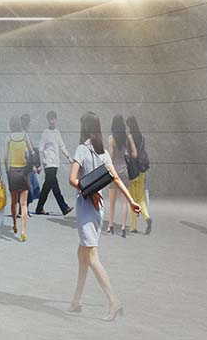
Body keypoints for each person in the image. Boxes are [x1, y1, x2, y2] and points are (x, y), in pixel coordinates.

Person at [69, 111, 141, 321]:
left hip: (86, 206)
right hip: (97, 207)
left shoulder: (82, 149)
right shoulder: (103, 152)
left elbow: (72, 179)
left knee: (91, 257)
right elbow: (116, 178)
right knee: (82, 254)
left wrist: (88, 191)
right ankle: (76, 300)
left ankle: (113, 301)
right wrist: (131, 201)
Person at [36, 110, 73, 216]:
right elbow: (40, 149)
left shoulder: (57, 132)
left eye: (53, 119)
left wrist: (69, 157)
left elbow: (62, 146)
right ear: (48, 120)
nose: (52, 121)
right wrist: (40, 164)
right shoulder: (45, 133)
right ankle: (64, 207)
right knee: (55, 187)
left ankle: (39, 208)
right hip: (48, 164)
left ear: (56, 119)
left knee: (47, 187)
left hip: (55, 164)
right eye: (50, 119)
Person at [5, 116, 34, 240]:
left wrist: (7, 170)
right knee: (23, 204)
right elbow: (31, 152)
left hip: (12, 171)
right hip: (23, 172)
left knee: (13, 202)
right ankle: (23, 232)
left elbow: (5, 158)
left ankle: (14, 225)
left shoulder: (9, 137)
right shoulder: (25, 136)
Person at [106, 115, 132, 237]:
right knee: (123, 202)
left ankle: (110, 225)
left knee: (111, 202)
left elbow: (111, 156)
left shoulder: (111, 138)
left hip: (114, 173)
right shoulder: (126, 139)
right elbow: (129, 154)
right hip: (124, 171)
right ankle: (123, 228)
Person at [125, 115, 152, 235]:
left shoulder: (130, 137)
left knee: (132, 199)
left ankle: (134, 226)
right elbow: (143, 152)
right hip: (142, 170)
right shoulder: (142, 137)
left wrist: (127, 155)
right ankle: (147, 217)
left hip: (133, 171)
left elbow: (134, 154)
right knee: (140, 198)